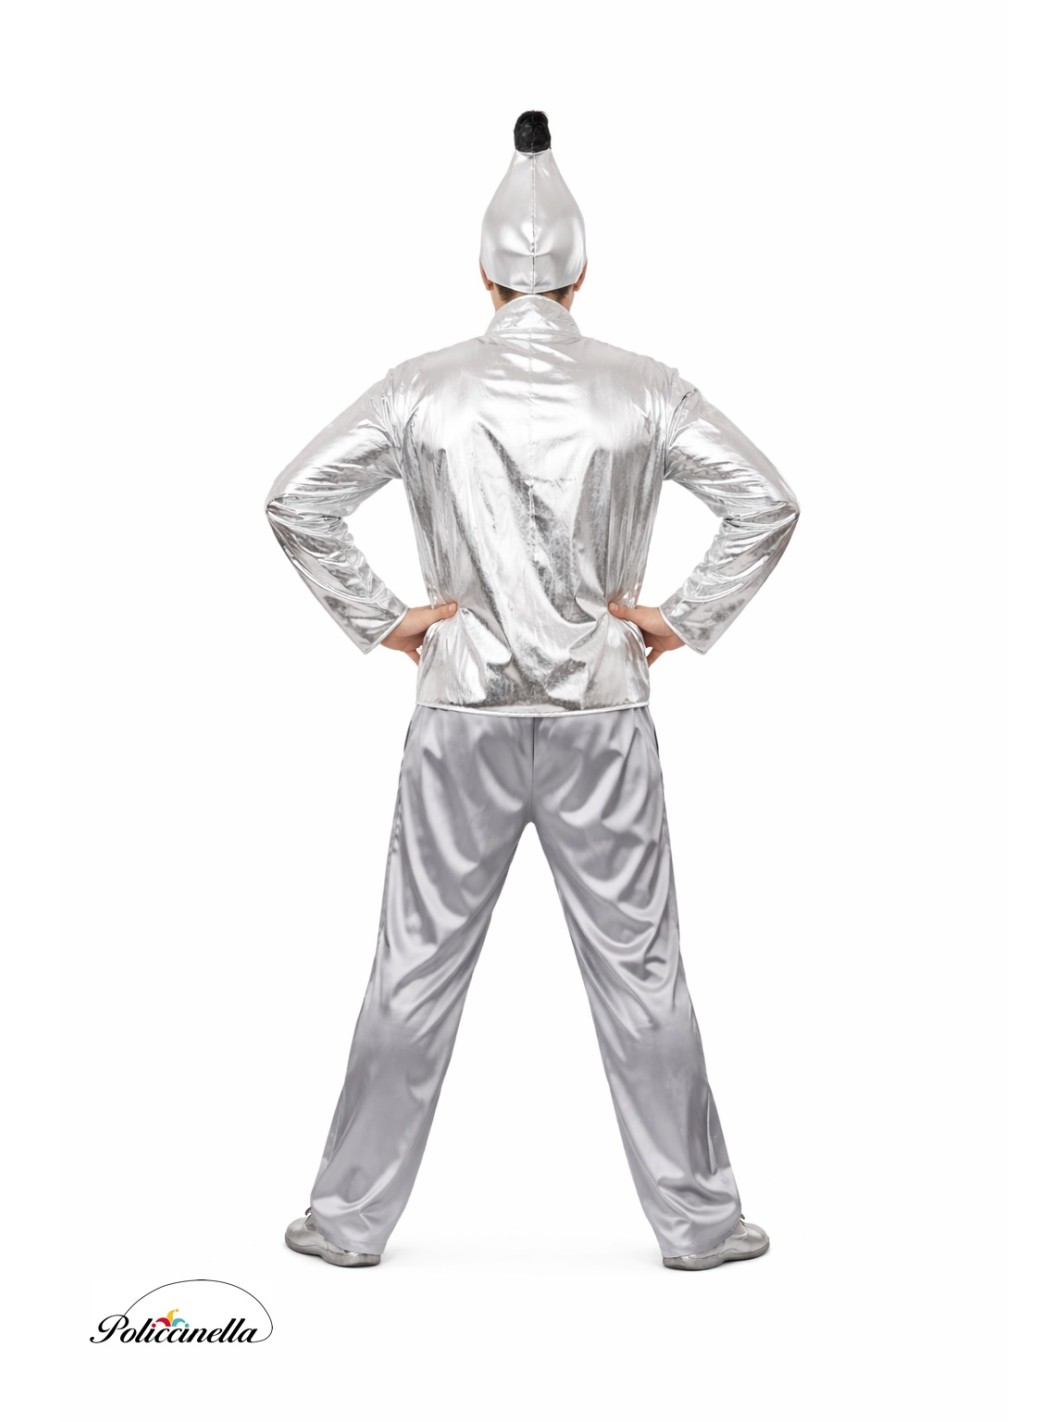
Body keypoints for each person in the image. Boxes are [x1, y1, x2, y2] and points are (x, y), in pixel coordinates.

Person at [267, 110, 800, 1271]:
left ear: (482, 275)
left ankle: (347, 1223)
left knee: (412, 969)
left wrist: (387, 618)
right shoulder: (643, 389)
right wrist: (677, 618)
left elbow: (295, 499)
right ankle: (699, 1224)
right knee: (641, 972)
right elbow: (765, 502)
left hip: (457, 714)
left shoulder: (421, 388)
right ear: (580, 276)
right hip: (600, 718)